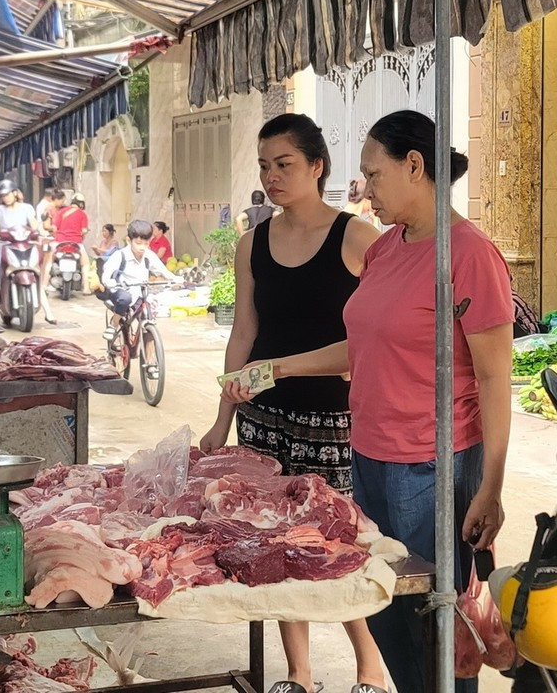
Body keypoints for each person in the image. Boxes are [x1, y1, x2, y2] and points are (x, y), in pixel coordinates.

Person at [224, 110, 513, 693]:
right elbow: (360, 345)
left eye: (374, 175)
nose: (366, 190)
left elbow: (494, 376)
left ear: (414, 166)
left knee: (435, 619)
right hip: (370, 456)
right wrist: (275, 369)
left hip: (431, 465)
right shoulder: (388, 249)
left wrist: (491, 485)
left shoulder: (468, 253)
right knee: (386, 603)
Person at [200, 113, 383, 693]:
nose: (271, 176)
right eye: (263, 165)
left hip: (333, 418)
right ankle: (299, 675)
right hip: (263, 418)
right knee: (276, 544)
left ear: (316, 166)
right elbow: (244, 332)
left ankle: (370, 666)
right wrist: (222, 418)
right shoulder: (252, 242)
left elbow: (377, 336)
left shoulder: (358, 237)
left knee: (334, 546)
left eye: (284, 164)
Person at [0, 179, 57, 324]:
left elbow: (34, 226)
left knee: (35, 273)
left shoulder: (26, 208)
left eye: (7, 194)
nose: (5, 197)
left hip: (24, 245)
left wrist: (41, 233)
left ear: (15, 193)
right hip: (5, 246)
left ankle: (49, 312)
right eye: (2, 195)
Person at [100, 220, 181, 338]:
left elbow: (163, 271)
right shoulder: (120, 255)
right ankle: (114, 323)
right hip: (120, 290)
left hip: (140, 292)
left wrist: (175, 279)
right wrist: (109, 282)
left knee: (149, 320)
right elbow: (107, 273)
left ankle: (150, 355)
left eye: (146, 243)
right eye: (138, 243)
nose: (142, 247)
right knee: (125, 298)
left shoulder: (149, 255)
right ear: (129, 241)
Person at [51, 191, 91, 295]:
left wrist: (58, 236)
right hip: (76, 243)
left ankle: (44, 284)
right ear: (81, 204)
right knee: (86, 264)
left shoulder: (61, 212)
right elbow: (84, 231)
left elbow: (54, 228)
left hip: (60, 242)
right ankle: (86, 288)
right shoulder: (82, 214)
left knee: (48, 261)